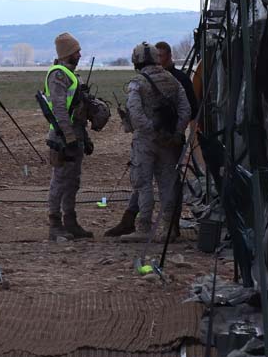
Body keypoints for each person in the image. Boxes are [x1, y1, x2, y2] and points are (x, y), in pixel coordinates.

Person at [105, 38, 198, 237]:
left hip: (146, 142)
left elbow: (135, 113)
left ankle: (144, 228)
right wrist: (177, 133)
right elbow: (186, 109)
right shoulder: (172, 80)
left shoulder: (137, 83)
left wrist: (149, 130)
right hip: (169, 141)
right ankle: (168, 229)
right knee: (167, 184)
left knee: (143, 183)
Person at [43, 32, 94, 241]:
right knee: (60, 180)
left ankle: (71, 222)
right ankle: (55, 225)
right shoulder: (58, 75)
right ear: (67, 53)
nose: (80, 55)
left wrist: (84, 138)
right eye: (76, 51)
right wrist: (70, 138)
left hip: (75, 133)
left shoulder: (71, 74)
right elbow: (60, 110)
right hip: (63, 136)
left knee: (73, 181)